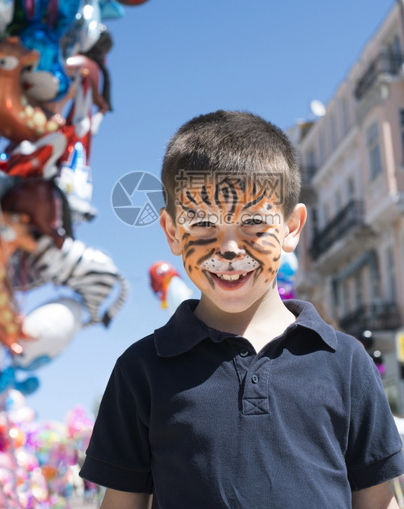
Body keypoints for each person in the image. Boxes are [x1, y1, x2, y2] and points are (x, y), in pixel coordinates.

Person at [80, 110, 404, 508]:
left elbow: (378, 501)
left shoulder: (346, 362)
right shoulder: (141, 370)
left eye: (253, 223)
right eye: (202, 224)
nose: (229, 249)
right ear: (171, 232)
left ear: (290, 228)